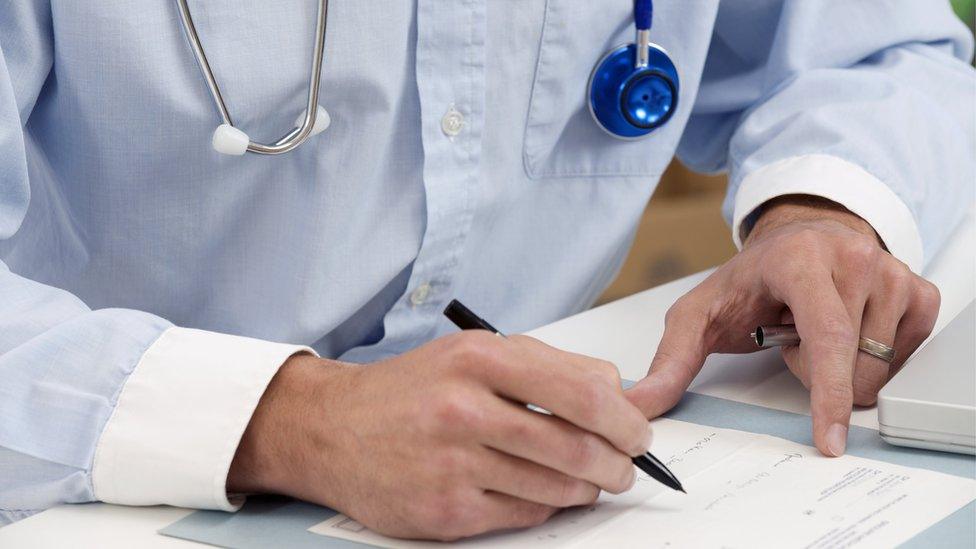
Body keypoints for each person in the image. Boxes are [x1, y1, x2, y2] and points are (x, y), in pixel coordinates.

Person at [1, 0, 973, 541]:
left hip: (543, 491)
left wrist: (819, 212)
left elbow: (886, 51)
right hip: (99, 490)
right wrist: (290, 420)